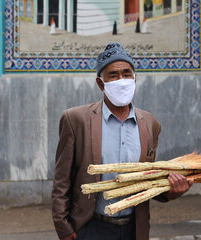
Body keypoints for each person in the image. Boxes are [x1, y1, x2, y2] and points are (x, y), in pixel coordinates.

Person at [52, 42, 193, 240]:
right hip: (90, 227)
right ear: (101, 83)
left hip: (133, 229)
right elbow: (61, 180)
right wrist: (64, 227)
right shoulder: (76, 120)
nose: (122, 80)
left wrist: (173, 190)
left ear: (135, 78)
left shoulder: (150, 124)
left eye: (127, 74)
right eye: (113, 75)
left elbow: (149, 182)